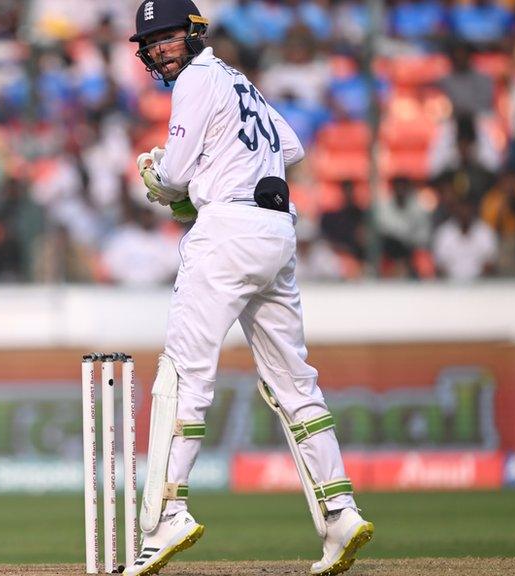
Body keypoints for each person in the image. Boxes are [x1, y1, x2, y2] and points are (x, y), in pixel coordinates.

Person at [127, 2, 374, 575]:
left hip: (227, 232)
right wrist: (223, 163)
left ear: (192, 35)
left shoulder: (193, 81)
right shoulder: (240, 81)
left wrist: (156, 177)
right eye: (152, 42)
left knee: (184, 373)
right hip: (276, 231)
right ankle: (339, 512)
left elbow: (177, 176)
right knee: (292, 378)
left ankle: (167, 514)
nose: (162, 49)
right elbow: (291, 148)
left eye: (168, 38)